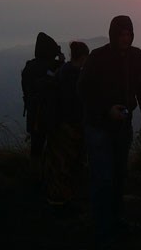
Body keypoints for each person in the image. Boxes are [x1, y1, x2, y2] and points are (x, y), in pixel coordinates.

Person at [78, 16, 141, 247]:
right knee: (103, 179)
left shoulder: (138, 57)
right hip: (98, 126)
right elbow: (83, 90)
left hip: (123, 126)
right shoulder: (97, 57)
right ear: (113, 34)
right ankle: (102, 229)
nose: (125, 38)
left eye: (129, 34)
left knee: (119, 176)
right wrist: (106, 110)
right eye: (121, 34)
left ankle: (115, 220)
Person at [42, 41, 89, 212]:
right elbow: (76, 103)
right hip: (70, 126)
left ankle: (57, 198)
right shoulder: (75, 75)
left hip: (58, 124)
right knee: (68, 163)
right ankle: (62, 200)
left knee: (59, 162)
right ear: (83, 57)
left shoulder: (63, 71)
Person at [21, 32, 64, 183]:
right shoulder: (55, 67)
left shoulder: (29, 67)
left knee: (36, 149)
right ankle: (52, 179)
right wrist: (61, 60)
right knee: (54, 148)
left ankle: (35, 179)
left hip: (34, 115)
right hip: (53, 115)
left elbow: (26, 91)